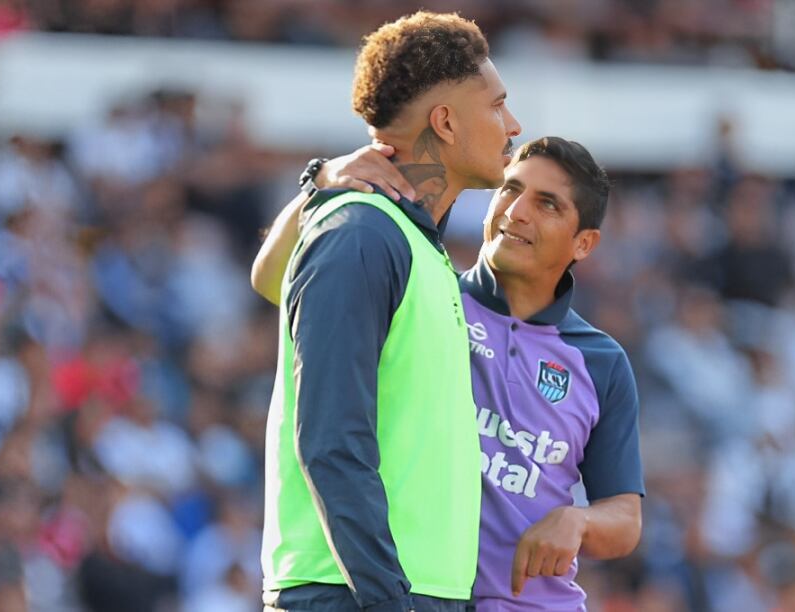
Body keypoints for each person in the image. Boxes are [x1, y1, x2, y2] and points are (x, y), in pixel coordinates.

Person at [254, 137, 644, 611]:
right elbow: (272, 279)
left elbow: (625, 519)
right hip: (418, 594)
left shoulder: (600, 360)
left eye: (547, 204)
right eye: (510, 190)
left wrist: (578, 521)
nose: (516, 211)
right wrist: (319, 182)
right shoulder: (426, 295)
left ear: (584, 242)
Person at [258, 11, 521, 612]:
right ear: (446, 122)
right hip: (354, 593)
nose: (513, 124)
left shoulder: (403, 241)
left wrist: (317, 183)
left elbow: (267, 278)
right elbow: (330, 440)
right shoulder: (360, 235)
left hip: (405, 592)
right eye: (498, 105)